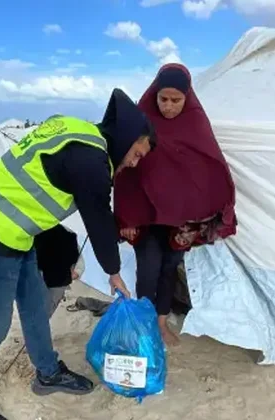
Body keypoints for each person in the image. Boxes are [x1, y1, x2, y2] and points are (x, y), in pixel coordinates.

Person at [0, 88, 156, 420]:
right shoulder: (91, 161)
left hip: (18, 233)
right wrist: (114, 274)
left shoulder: (79, 130)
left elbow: (41, 182)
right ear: (126, 138)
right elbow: (99, 221)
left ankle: (47, 373)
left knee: (34, 306)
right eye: (137, 154)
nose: (134, 162)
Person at [113, 64, 237, 346]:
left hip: (181, 218)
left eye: (176, 100)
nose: (168, 106)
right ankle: (146, 325)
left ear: (187, 97)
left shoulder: (196, 122)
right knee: (148, 269)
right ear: (155, 94)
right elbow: (125, 171)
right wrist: (126, 217)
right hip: (145, 214)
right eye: (163, 99)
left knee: (169, 268)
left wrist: (210, 208)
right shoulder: (140, 120)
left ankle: (161, 323)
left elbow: (211, 166)